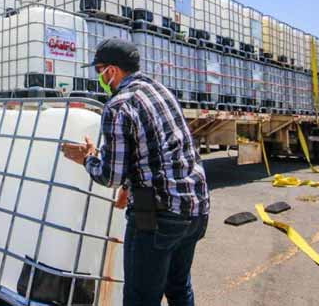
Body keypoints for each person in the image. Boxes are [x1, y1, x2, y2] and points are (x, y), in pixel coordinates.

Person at [61, 38, 210, 306]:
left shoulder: (119, 105)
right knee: (178, 288)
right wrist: (127, 185)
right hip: (196, 208)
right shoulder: (160, 91)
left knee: (140, 299)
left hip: (159, 217)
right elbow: (154, 152)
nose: (99, 78)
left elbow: (110, 176)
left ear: (112, 71)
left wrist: (87, 159)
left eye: (99, 71)